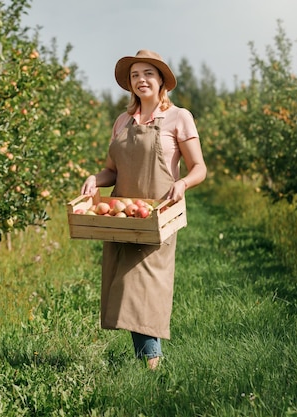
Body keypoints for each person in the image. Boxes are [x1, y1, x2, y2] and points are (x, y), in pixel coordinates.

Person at [81, 50, 207, 370]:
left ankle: (152, 364)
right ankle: (149, 363)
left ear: (161, 80)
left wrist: (183, 184)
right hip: (122, 214)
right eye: (135, 75)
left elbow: (199, 168)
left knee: (144, 285)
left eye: (148, 73)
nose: (141, 80)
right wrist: (95, 179)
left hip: (158, 214)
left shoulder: (179, 117)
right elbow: (112, 170)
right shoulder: (122, 121)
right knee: (125, 285)